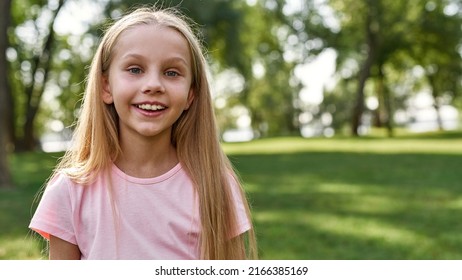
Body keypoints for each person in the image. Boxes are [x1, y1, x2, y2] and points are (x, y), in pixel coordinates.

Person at [29, 6, 257, 260]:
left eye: (171, 72)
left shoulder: (216, 185)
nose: (153, 85)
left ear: (191, 94)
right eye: (135, 69)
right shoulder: (71, 190)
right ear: (106, 86)